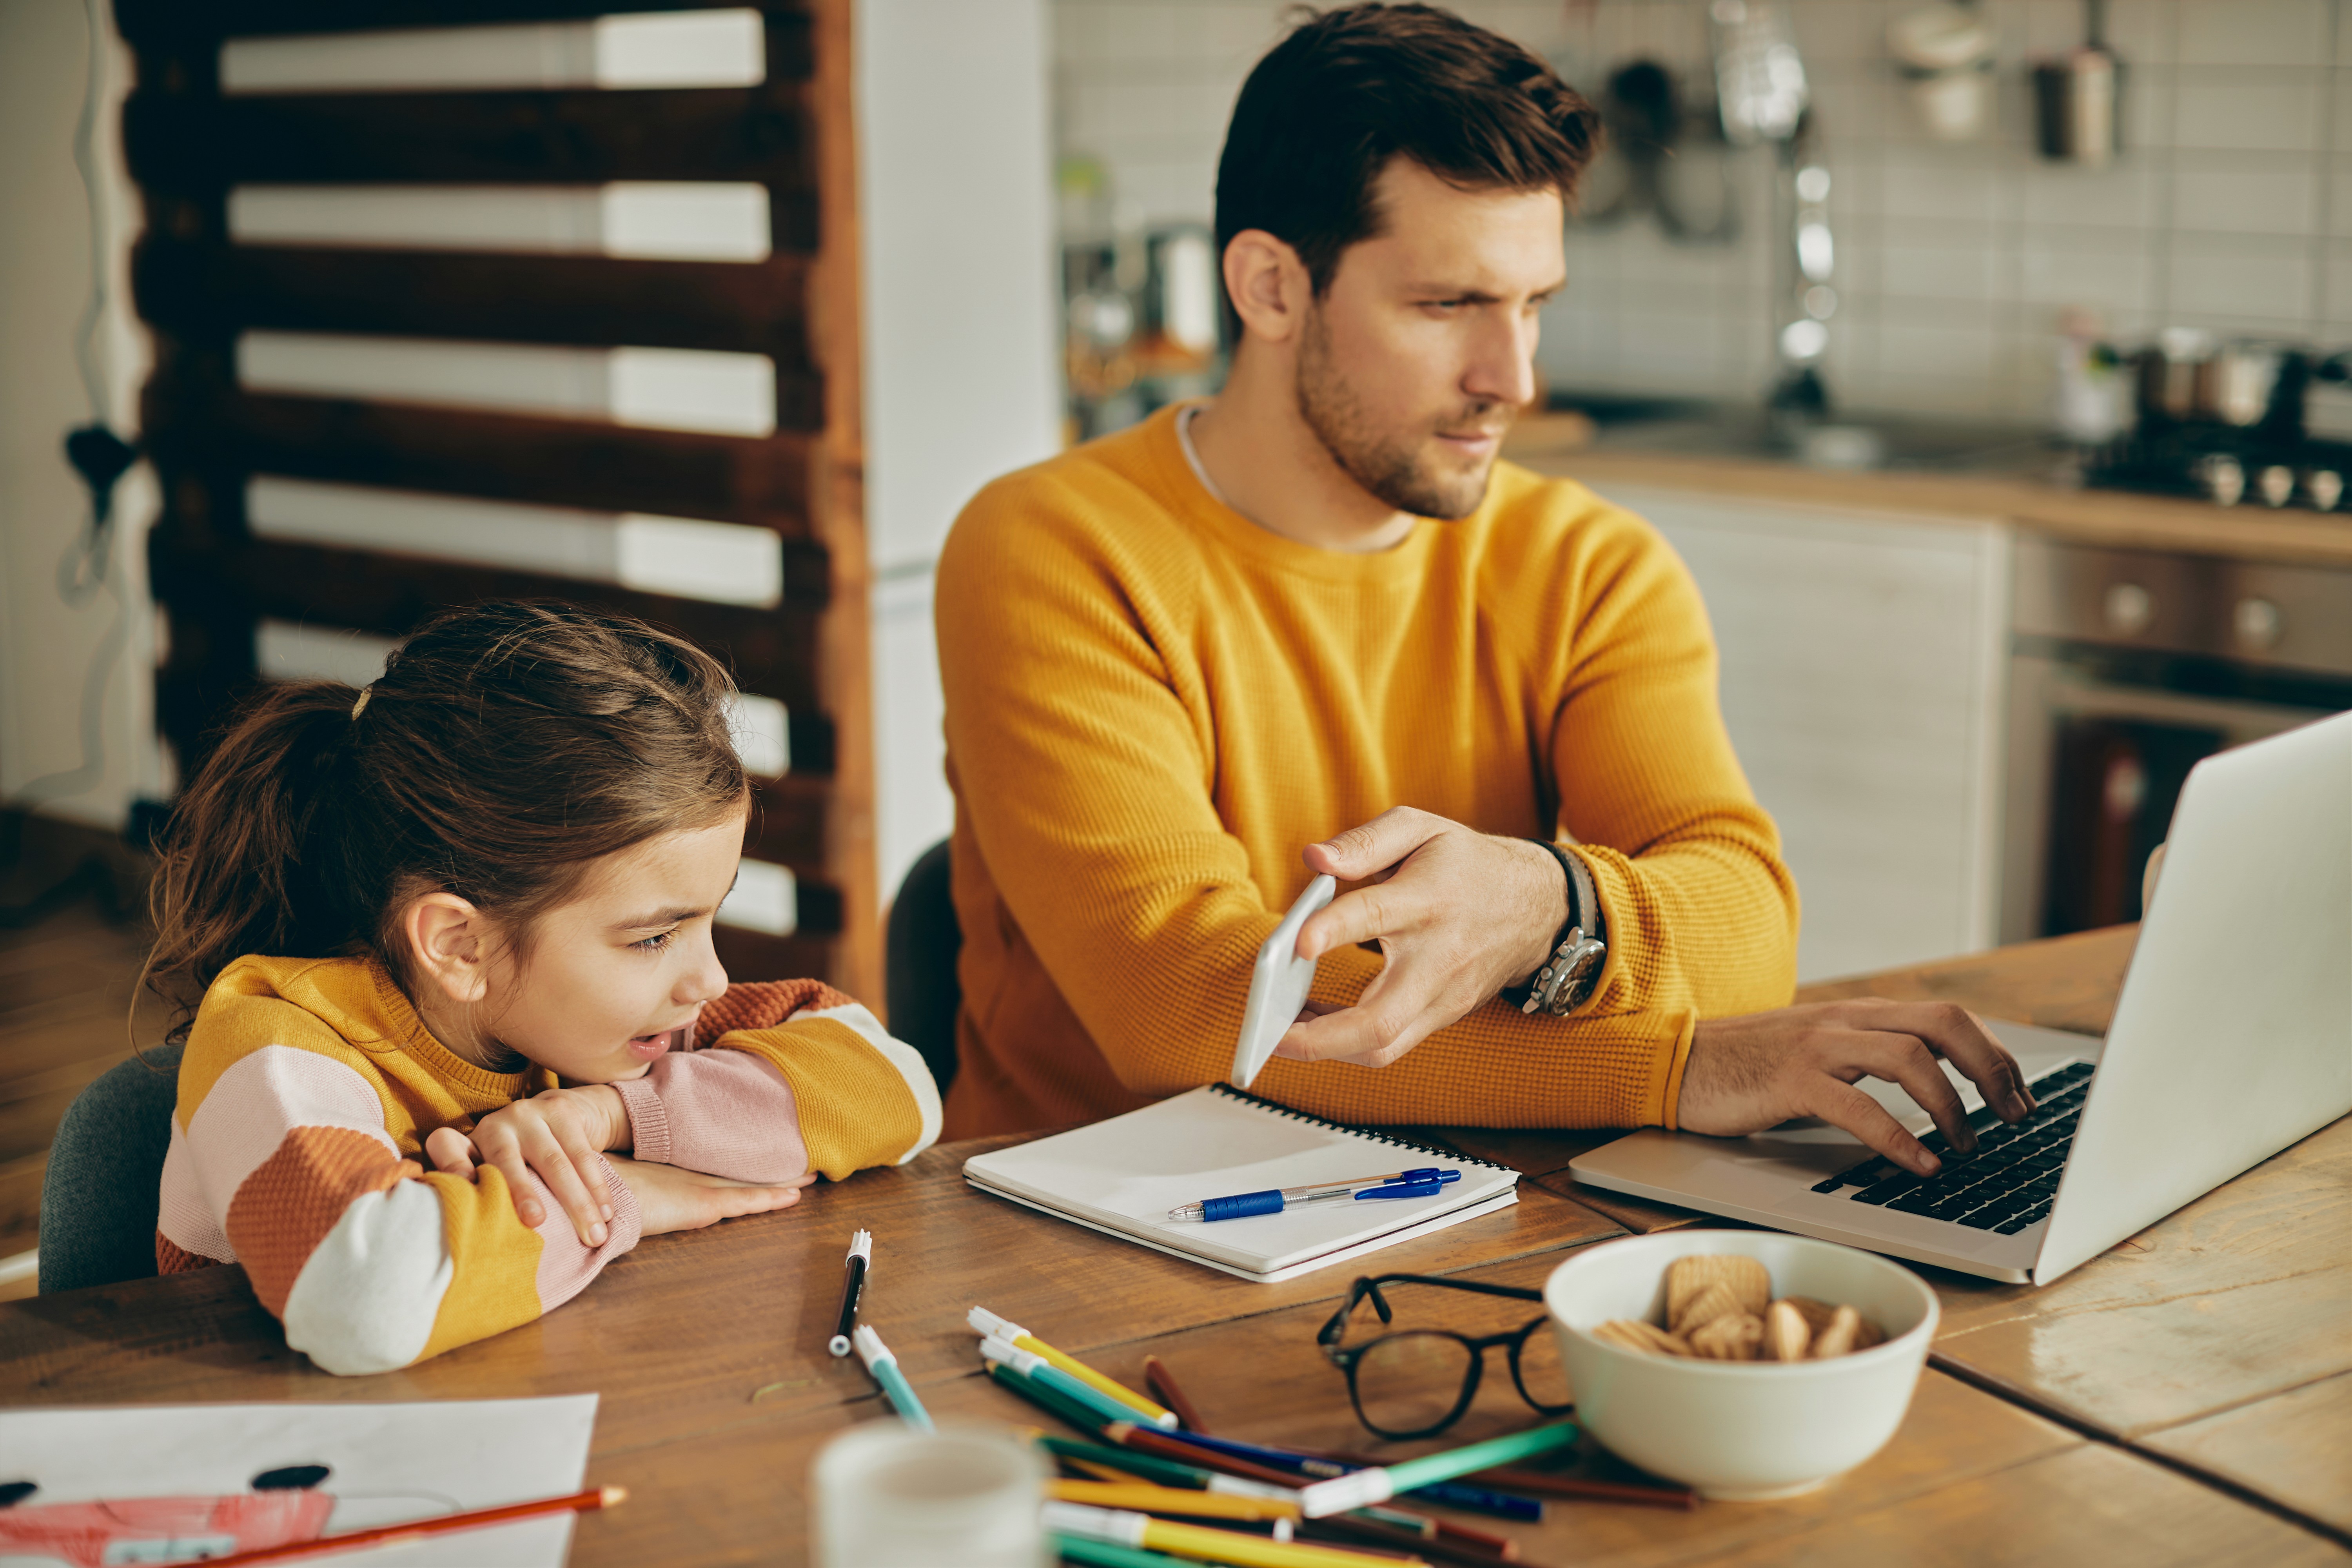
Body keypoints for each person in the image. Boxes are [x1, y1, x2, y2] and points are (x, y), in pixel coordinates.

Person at [935, 3, 2033, 1172]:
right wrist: (1669, 1065)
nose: (1511, 378)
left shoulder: (1591, 565)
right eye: (1447, 305)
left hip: (1453, 1190)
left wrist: (1554, 906)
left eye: (1532, 304)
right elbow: (1196, 1008)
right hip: (1079, 1227)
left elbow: (1749, 931)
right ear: (1268, 288)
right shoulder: (1054, 547)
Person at [143, 602, 938, 1376]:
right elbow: (366, 1299)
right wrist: (621, 1195)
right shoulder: (273, 1043)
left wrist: (610, 1117)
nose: (711, 978)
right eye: (655, 936)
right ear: (460, 944)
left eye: (709, 919)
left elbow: (902, 1090)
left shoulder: (601, 1041)